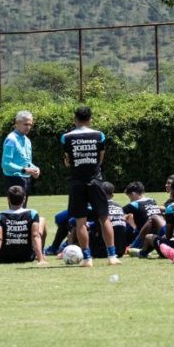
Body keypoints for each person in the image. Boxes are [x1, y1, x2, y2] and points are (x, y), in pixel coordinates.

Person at [61, 106, 120, 266]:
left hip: (76, 182)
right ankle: (112, 256)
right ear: (90, 119)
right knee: (104, 218)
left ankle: (87, 258)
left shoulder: (66, 137)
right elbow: (101, 159)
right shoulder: (99, 135)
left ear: (75, 119)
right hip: (96, 180)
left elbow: (67, 160)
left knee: (80, 221)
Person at [0, 185, 46, 266]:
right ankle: (41, 253)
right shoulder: (33, 213)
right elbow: (35, 236)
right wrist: (40, 260)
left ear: (8, 199)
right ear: (24, 199)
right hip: (28, 256)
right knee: (42, 220)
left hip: (4, 258)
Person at [2, 111, 40, 205]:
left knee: (23, 210)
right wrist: (23, 170)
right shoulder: (11, 139)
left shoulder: (27, 140)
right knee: (15, 211)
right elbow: (5, 164)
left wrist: (35, 168)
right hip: (14, 180)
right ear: (17, 123)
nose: (28, 127)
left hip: (26, 179)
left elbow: (27, 162)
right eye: (25, 124)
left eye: (30, 124)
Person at [122, 181, 164, 248]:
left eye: (129, 197)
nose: (130, 200)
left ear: (133, 194)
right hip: (158, 234)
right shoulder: (152, 200)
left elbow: (118, 212)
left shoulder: (135, 204)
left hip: (144, 235)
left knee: (125, 219)